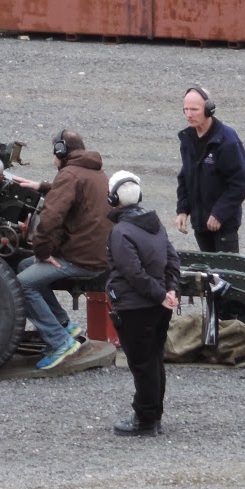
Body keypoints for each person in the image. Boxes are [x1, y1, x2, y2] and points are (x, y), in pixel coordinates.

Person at [15, 129, 113, 370]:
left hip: (81, 258)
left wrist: (42, 252)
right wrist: (43, 187)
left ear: (61, 151)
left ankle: (59, 342)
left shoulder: (68, 175)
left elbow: (50, 219)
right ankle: (64, 324)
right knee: (24, 266)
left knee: (20, 284)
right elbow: (78, 198)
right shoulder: (95, 171)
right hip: (97, 253)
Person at [105, 170, 181, 436]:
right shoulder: (156, 225)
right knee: (154, 360)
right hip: (158, 307)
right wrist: (170, 291)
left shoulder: (121, 232)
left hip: (135, 307)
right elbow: (173, 261)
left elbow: (133, 273)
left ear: (113, 197)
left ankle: (145, 420)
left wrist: (161, 294)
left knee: (142, 364)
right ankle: (153, 417)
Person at [175, 84, 245, 324]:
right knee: (211, 274)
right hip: (201, 222)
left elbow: (239, 183)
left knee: (230, 276)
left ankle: (244, 320)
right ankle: (221, 320)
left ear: (209, 109)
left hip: (223, 224)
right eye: (186, 109)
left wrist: (219, 213)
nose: (189, 114)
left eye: (195, 109)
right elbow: (185, 176)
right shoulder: (187, 138)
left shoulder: (227, 140)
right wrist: (183, 209)